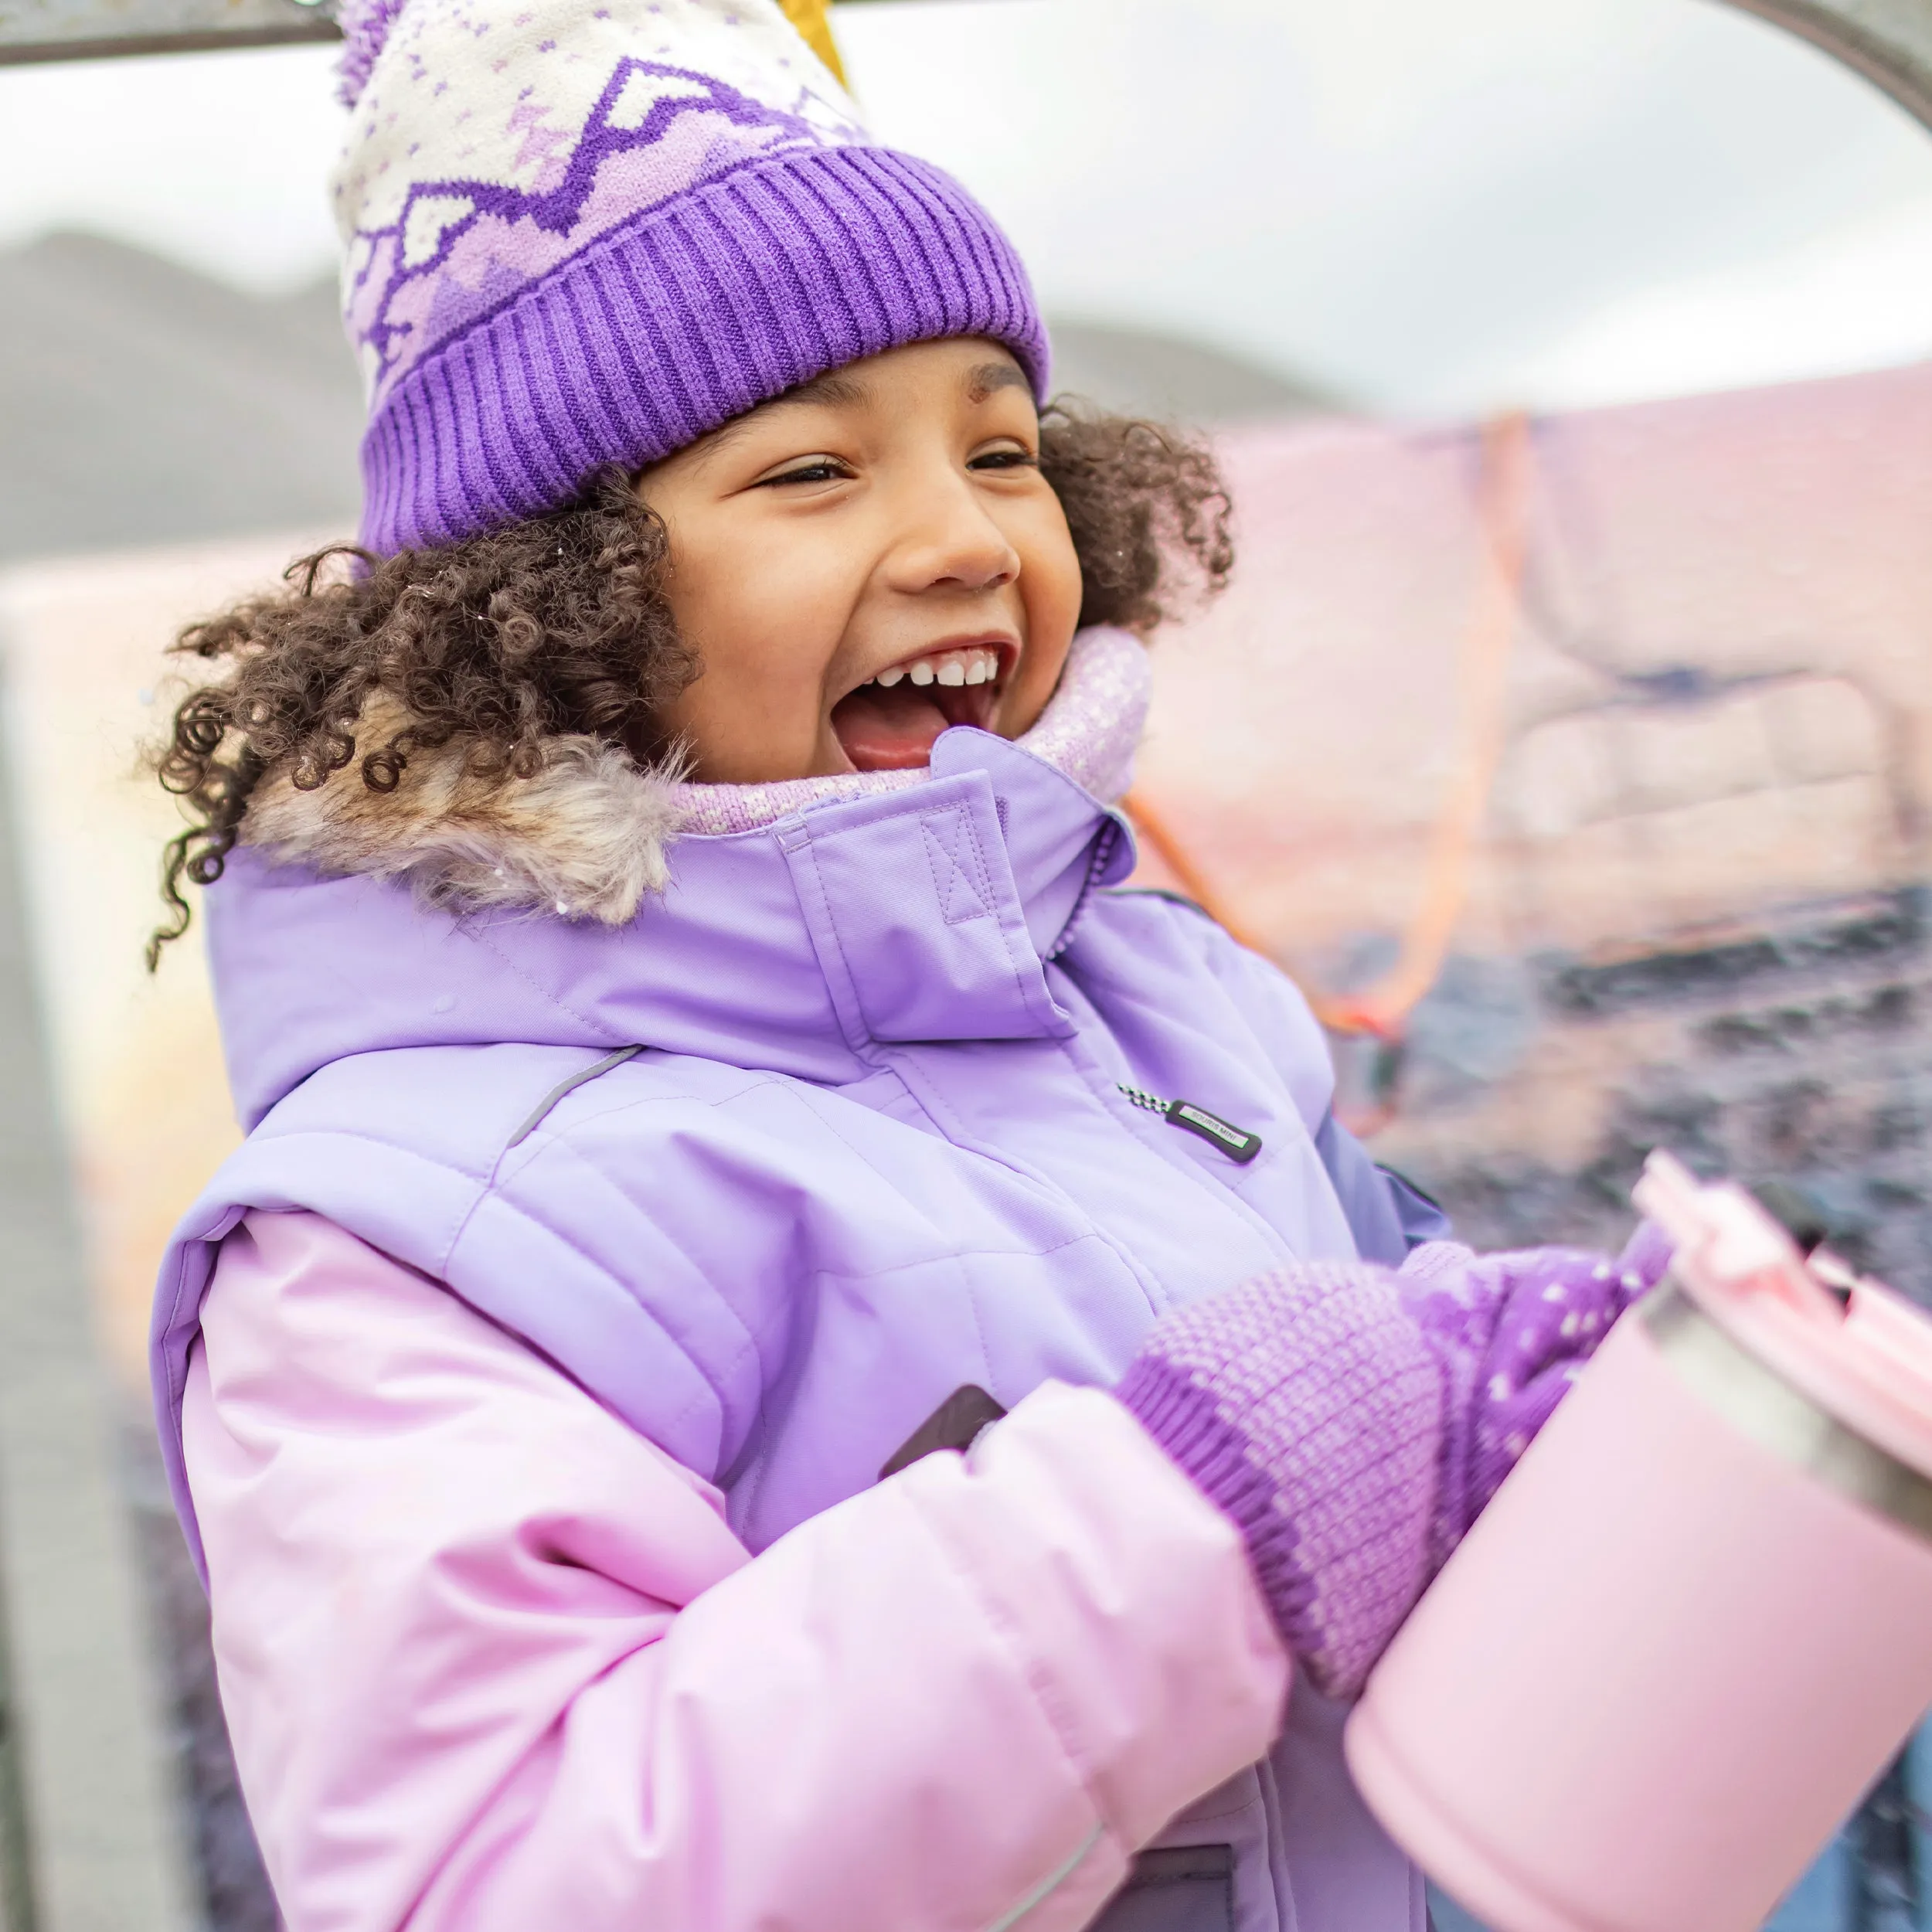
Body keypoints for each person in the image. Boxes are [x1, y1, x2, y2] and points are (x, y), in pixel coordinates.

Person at [146, 2, 1667, 1927]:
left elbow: (1417, 1491)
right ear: (543, 603)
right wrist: (1209, 1505)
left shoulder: (1174, 1006)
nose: (962, 536)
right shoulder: (407, 1234)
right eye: (807, 472)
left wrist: (1607, 1431)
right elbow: (504, 1873)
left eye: (1003, 446)